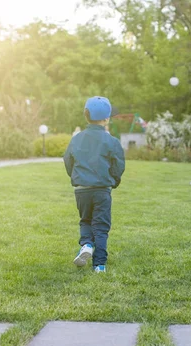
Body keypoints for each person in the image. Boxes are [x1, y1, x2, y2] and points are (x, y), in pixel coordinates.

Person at [63, 96, 125, 273]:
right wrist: (114, 180)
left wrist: (76, 176)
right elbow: (118, 164)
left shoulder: (76, 139)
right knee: (101, 226)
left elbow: (67, 159)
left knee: (86, 221)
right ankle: (99, 264)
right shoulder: (111, 141)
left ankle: (87, 245)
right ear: (106, 119)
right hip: (102, 190)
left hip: (81, 190)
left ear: (86, 115)